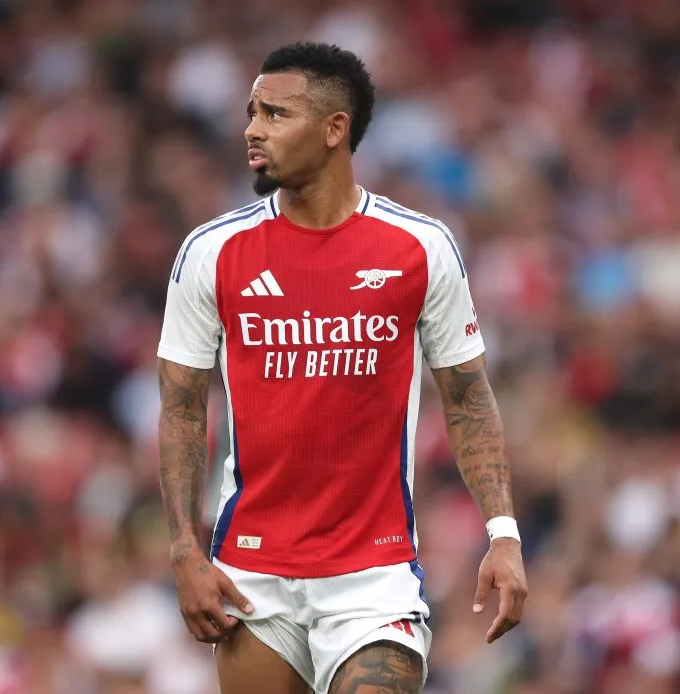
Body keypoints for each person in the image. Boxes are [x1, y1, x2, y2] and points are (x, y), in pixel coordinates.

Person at [157, 42, 528, 694]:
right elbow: (182, 406)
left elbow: (468, 399)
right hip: (252, 575)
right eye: (251, 112)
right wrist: (186, 550)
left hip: (372, 578)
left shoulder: (421, 248)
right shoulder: (212, 252)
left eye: (275, 114)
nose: (252, 128)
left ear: (335, 130)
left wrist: (503, 534)